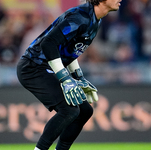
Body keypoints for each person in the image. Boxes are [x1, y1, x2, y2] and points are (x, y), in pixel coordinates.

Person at [17, 0, 122, 149]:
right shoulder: (81, 16)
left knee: (85, 111)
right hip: (33, 67)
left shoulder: (94, 20)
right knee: (69, 110)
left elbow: (69, 51)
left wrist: (78, 76)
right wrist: (65, 78)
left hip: (46, 67)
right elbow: (48, 44)